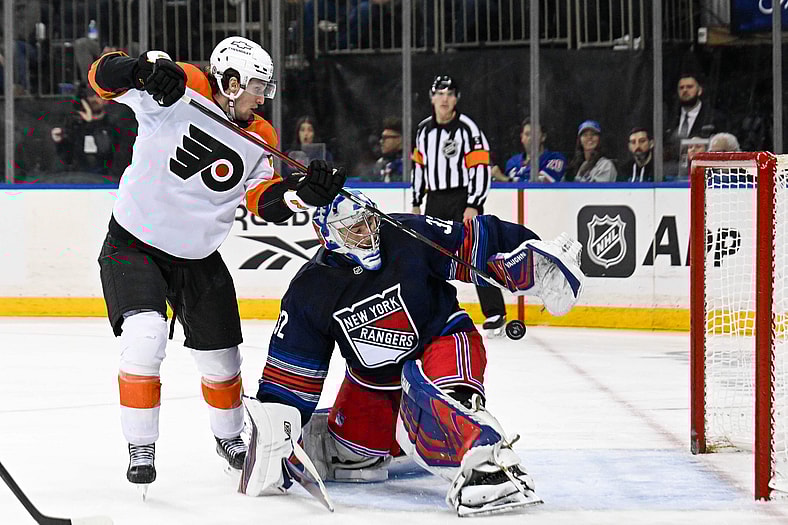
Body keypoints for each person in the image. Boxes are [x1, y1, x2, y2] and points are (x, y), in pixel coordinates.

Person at [88, 36, 347, 491]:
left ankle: (230, 439)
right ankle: (141, 445)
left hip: (199, 257)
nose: (263, 96)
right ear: (229, 82)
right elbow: (100, 77)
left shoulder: (260, 134)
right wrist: (139, 72)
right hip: (134, 243)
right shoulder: (183, 84)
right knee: (144, 338)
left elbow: (263, 199)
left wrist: (302, 192)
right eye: (257, 86)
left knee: (223, 360)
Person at [238, 189, 584, 516]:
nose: (370, 233)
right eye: (355, 229)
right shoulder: (310, 290)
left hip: (442, 340)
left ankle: (484, 461)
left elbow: (473, 241)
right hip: (374, 382)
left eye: (370, 222)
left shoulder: (405, 232)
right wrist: (278, 426)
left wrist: (532, 255)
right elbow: (292, 374)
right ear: (329, 237)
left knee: (446, 404)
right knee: (355, 454)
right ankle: (331, 438)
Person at [411, 75, 507, 336]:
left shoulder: (468, 128)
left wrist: (474, 203)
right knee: (430, 257)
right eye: (439, 93)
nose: (444, 98)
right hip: (435, 199)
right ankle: (431, 310)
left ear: (456, 99)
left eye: (450, 93)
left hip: (463, 198)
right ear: (432, 98)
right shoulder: (423, 130)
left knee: (476, 253)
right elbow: (419, 168)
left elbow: (480, 168)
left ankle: (495, 313)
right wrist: (417, 201)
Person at [49, 85, 130, 181]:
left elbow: (106, 150)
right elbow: (66, 158)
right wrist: (59, 142)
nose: (93, 99)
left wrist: (90, 123)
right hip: (76, 179)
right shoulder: (75, 124)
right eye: (90, 96)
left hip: (104, 181)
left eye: (98, 96)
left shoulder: (112, 127)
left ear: (106, 101)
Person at [492, 117, 566, 182]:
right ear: (522, 137)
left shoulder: (555, 159)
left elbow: (538, 185)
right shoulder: (512, 162)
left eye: (534, 134)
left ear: (543, 137)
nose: (530, 138)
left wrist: (505, 179)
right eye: (527, 134)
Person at [368, 116, 403, 182]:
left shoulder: (410, 164)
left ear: (399, 139)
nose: (381, 141)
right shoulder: (380, 163)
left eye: (385, 138)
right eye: (381, 138)